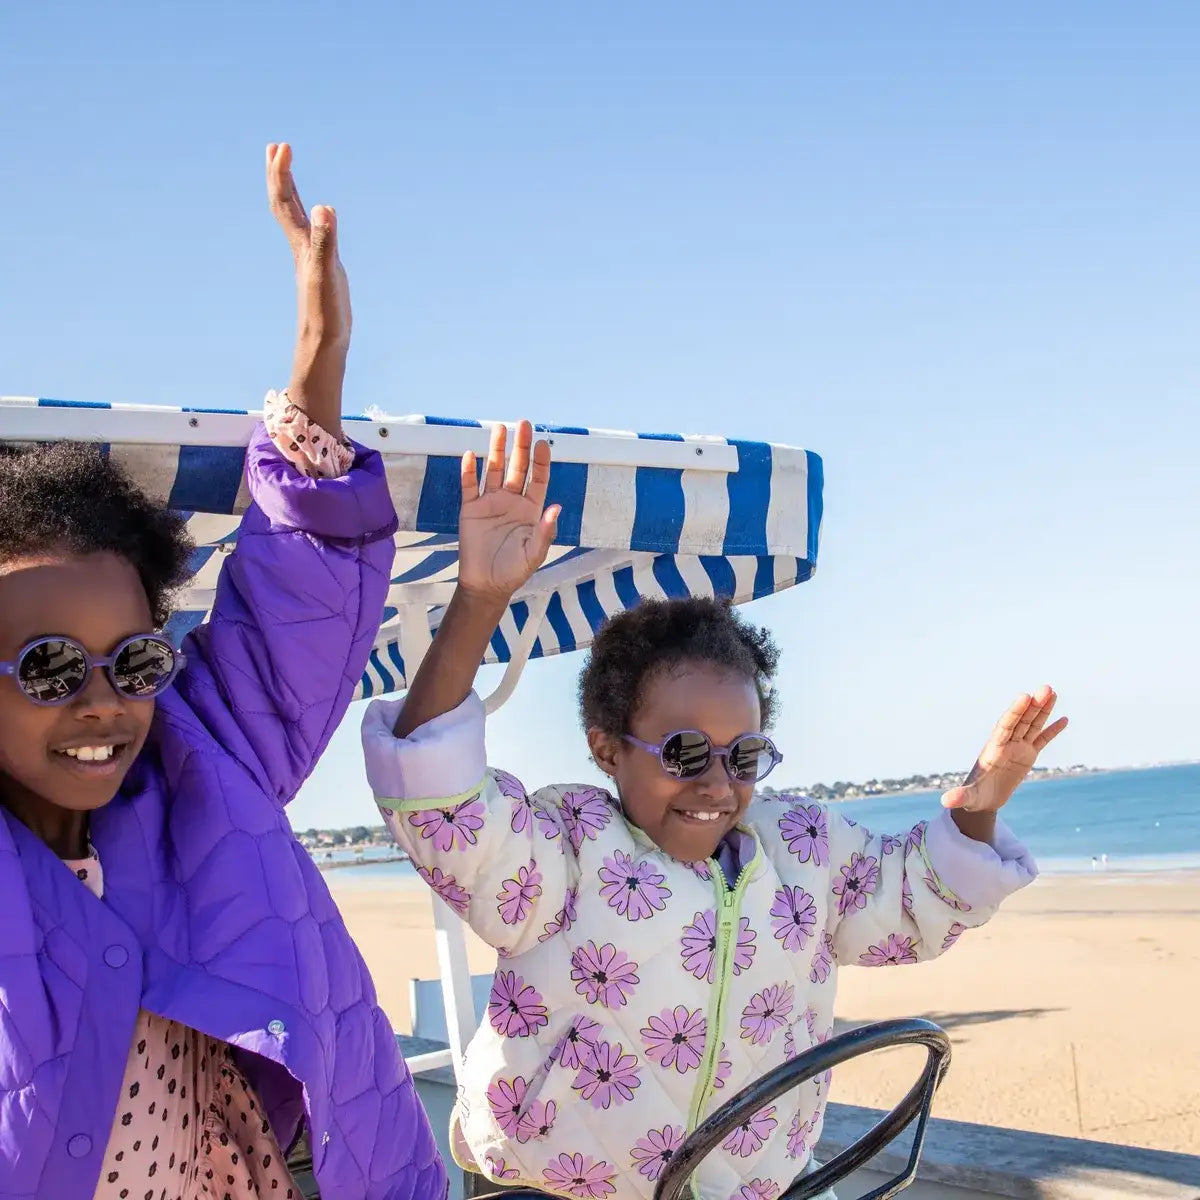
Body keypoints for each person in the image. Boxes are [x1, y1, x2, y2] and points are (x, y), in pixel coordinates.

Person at [361, 423, 1068, 1199]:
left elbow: (912, 896)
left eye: (745, 757)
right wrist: (482, 598)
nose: (718, 787)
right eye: (686, 754)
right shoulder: (562, 850)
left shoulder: (805, 851)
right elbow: (442, 802)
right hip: (553, 1189)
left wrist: (979, 806)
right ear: (606, 748)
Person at [0, 145, 446, 1200]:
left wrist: (321, 346)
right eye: (51, 667)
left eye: (136, 660)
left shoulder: (204, 772)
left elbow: (295, 599)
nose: (104, 700)